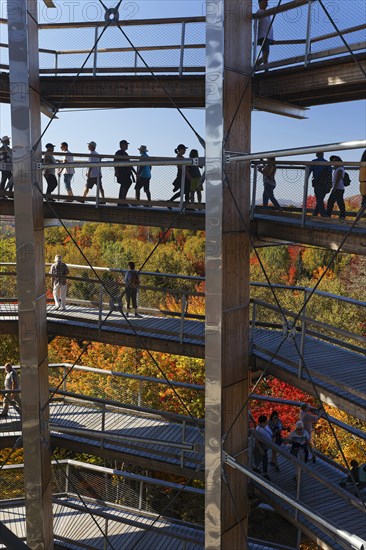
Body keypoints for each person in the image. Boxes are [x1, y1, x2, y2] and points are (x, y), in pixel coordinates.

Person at [308, 152, 332, 217]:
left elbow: (308, 172)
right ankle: (315, 214)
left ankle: (323, 214)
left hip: (317, 182)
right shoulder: (327, 163)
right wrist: (330, 184)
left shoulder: (313, 162)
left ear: (316, 155)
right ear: (323, 154)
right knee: (320, 199)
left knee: (319, 199)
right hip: (325, 184)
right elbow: (330, 174)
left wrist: (306, 180)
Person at [114, 140, 136, 206]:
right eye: (126, 145)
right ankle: (122, 200)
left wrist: (135, 172)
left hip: (126, 173)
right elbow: (115, 162)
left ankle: (121, 200)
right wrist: (116, 171)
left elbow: (129, 164)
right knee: (126, 184)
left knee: (125, 184)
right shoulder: (119, 153)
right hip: (122, 173)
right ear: (122, 145)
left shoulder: (125, 154)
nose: (127, 146)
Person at [326, 155, 346, 221]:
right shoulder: (338, 169)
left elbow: (338, 178)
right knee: (339, 202)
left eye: (335, 161)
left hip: (338, 188)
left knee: (331, 201)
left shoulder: (340, 169)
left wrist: (334, 187)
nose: (333, 163)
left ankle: (329, 215)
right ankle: (342, 215)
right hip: (339, 188)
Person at [253, 414, 272, 480]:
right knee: (264, 459)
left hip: (265, 446)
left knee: (262, 459)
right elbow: (257, 440)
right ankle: (264, 473)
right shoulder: (259, 430)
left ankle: (258, 468)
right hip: (262, 446)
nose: (267, 422)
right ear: (262, 422)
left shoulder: (264, 426)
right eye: (266, 421)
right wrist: (260, 449)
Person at [256, 0, 274, 66]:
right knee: (266, 52)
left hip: (267, 36)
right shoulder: (259, 12)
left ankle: (256, 64)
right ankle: (265, 68)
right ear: (260, 3)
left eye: (266, 1)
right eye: (264, 1)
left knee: (266, 53)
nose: (266, 3)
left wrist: (271, 38)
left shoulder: (267, 13)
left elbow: (269, 26)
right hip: (262, 35)